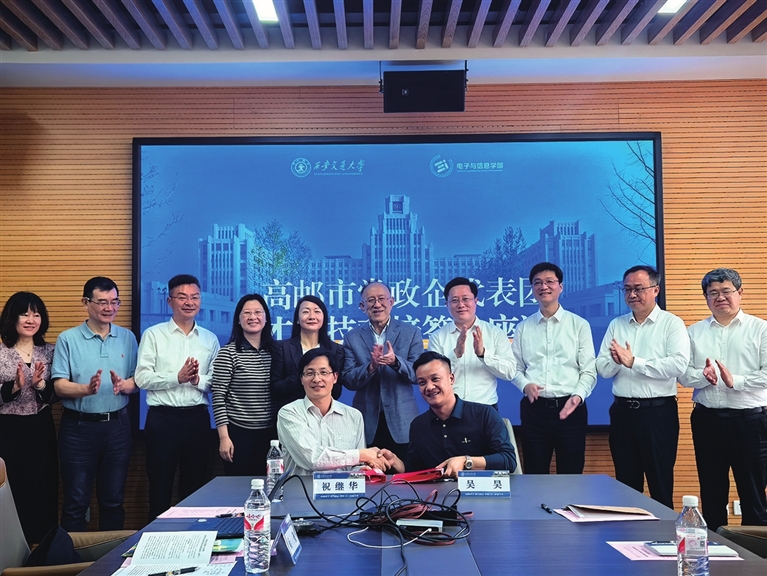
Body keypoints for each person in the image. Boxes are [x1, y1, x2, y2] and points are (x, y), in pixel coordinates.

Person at [680, 268, 767, 530]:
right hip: (707, 420)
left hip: (751, 421)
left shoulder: (760, 329)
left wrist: (734, 381)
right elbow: (683, 375)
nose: (720, 297)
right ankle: (714, 548)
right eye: (713, 293)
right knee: (711, 491)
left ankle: (755, 552)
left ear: (740, 293)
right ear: (706, 297)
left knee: (753, 494)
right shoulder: (694, 332)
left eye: (726, 291)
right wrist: (703, 377)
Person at [596, 265, 689, 508]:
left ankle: (664, 531)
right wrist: (617, 361)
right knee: (626, 485)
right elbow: (603, 369)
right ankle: (628, 531)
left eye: (638, 288)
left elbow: (678, 365)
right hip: (622, 413)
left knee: (660, 483)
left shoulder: (671, 324)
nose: (632, 294)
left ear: (655, 289)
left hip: (657, 414)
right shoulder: (617, 324)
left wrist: (634, 362)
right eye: (627, 289)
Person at [53, 277, 138, 532]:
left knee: (113, 501)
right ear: (86, 302)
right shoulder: (68, 339)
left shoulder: (128, 337)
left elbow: (137, 381)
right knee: (75, 502)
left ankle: (111, 557)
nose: (109, 308)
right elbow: (59, 386)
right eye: (102, 302)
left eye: (114, 302)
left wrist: (125, 385)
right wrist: (85, 389)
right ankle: (71, 557)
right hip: (78, 429)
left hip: (118, 427)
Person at [135, 274, 220, 521]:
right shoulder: (153, 335)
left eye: (195, 297)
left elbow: (216, 382)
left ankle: (193, 538)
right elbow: (142, 378)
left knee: (195, 488)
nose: (189, 302)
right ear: (169, 300)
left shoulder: (210, 339)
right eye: (182, 297)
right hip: (162, 420)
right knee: (159, 487)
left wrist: (196, 380)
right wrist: (177, 378)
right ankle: (156, 540)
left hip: (197, 420)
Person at [512, 262, 596, 474]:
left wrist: (577, 397)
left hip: (571, 409)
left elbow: (589, 370)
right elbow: (515, 368)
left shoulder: (579, 325)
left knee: (571, 475)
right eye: (537, 283)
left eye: (549, 281)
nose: (544, 286)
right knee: (534, 474)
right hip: (534, 410)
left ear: (560, 286)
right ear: (532, 289)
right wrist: (525, 385)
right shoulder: (523, 328)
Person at [381, 351, 516, 476]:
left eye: (435, 379)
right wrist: (396, 463)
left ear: (451, 379)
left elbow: (508, 460)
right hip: (437, 493)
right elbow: (416, 470)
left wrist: (466, 461)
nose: (429, 387)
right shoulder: (418, 425)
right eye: (422, 383)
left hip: (481, 491)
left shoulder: (485, 414)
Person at [0, 292, 58, 544]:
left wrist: (41, 385)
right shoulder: (1, 352)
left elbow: (56, 394)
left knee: (43, 484)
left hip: (41, 427)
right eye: (24, 314)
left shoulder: (51, 351)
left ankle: (43, 546)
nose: (31, 320)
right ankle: (14, 547)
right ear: (12, 317)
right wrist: (14, 387)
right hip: (8, 429)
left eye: (36, 314)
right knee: (14, 487)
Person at [343, 281, 424, 460]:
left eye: (381, 298)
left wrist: (396, 362)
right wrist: (371, 367)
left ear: (391, 302)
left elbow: (419, 375)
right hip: (367, 422)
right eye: (371, 300)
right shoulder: (351, 337)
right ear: (362, 306)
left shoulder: (411, 332)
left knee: (405, 472)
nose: (377, 304)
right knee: (369, 473)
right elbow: (347, 379)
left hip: (403, 420)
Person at [277, 348, 388, 475]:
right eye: (309, 373)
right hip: (300, 487)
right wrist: (361, 455)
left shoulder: (353, 416)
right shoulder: (289, 413)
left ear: (335, 377)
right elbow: (311, 459)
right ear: (302, 379)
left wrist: (361, 469)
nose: (317, 379)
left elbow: (356, 464)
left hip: (342, 487)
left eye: (323, 372)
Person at [212, 294, 276, 477]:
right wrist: (224, 437)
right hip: (238, 434)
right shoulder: (228, 353)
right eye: (246, 313)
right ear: (238, 320)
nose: (252, 317)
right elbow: (218, 398)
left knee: (272, 485)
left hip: (272, 434)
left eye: (258, 312)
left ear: (266, 318)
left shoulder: (277, 351)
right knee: (238, 487)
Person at [428, 277, 516, 408]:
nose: (461, 305)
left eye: (466, 299)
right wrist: (456, 354)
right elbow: (432, 376)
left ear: (476, 301)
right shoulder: (438, 337)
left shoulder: (495, 333)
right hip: (448, 408)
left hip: (486, 407)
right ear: (447, 304)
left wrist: (483, 354)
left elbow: (510, 373)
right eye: (455, 300)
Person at [271, 295, 344, 411]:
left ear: (324, 318)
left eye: (317, 311)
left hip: (325, 414)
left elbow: (336, 391)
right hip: (291, 413)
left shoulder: (336, 350)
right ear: (297, 319)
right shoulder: (282, 348)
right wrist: (304, 376)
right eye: (305, 312)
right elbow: (275, 388)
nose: (311, 316)